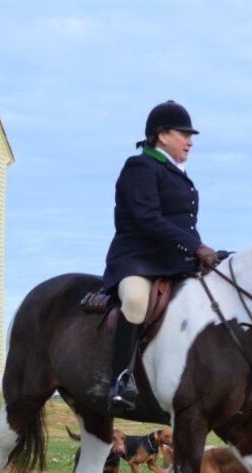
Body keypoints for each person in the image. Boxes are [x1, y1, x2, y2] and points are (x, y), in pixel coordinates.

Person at [102, 100, 218, 414]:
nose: (190, 141)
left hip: (175, 262)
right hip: (137, 260)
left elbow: (182, 224)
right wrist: (194, 248)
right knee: (137, 301)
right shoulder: (139, 166)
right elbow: (148, 219)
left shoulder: (176, 172)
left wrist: (205, 252)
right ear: (162, 134)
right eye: (184, 134)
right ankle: (119, 379)